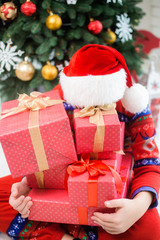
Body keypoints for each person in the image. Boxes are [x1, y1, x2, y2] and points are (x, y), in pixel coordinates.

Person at [0, 44, 160, 240]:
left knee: (151, 228)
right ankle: (60, 231)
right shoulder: (58, 99)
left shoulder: (132, 103)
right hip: (60, 181)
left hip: (112, 189)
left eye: (101, 106)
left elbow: (149, 165)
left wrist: (137, 206)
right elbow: (44, 154)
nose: (92, 113)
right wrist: (28, 183)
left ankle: (61, 220)